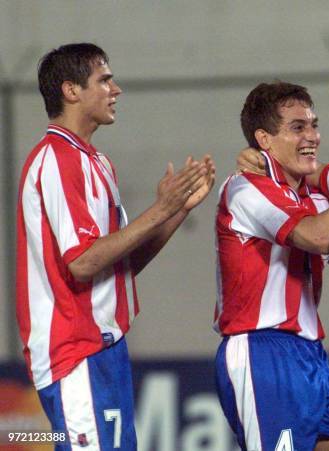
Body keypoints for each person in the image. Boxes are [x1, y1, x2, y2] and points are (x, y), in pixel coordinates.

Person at [16, 43, 215, 450]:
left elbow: (118, 264)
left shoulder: (97, 163)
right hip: (74, 352)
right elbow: (83, 263)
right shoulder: (56, 158)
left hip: (105, 350)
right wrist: (160, 208)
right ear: (71, 91)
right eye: (104, 80)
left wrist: (176, 211)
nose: (116, 89)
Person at [215, 81, 329, 451]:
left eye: (314, 125)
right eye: (297, 127)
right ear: (264, 139)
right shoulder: (245, 189)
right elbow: (319, 237)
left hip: (309, 354)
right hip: (262, 351)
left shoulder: (313, 199)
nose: (313, 136)